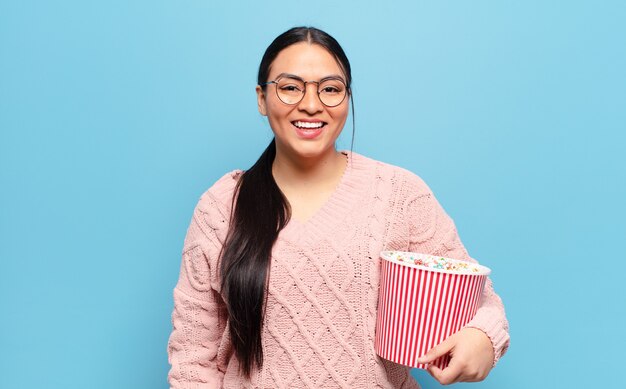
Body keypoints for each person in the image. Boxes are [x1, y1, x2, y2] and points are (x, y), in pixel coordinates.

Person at [167, 26, 509, 389]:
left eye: (330, 89)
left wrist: (483, 338)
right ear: (261, 98)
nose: (311, 104)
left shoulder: (398, 194)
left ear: (347, 98)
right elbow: (193, 356)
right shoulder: (220, 207)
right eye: (290, 87)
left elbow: (481, 301)